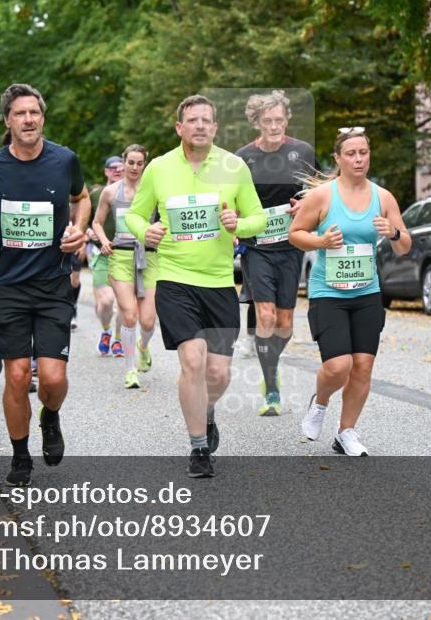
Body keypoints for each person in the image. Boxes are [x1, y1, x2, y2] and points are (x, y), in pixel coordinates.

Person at [126, 94, 266, 478]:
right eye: (192, 120)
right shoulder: (158, 168)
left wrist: (240, 224)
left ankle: (207, 411)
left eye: (206, 120)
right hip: (174, 278)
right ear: (179, 127)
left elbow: (257, 218)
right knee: (192, 360)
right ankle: (198, 448)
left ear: (215, 127)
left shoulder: (234, 167)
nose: (200, 125)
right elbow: (135, 216)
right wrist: (146, 231)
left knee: (218, 373)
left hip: (219, 282)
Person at [0, 83, 89, 487]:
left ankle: (50, 416)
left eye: (34, 112)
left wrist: (79, 229)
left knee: (52, 378)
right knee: (17, 376)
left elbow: (82, 198)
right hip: (9, 285)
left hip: (54, 283)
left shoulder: (65, 159)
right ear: (8, 120)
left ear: (42, 117)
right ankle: (20, 455)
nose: (29, 119)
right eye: (20, 113)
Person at [289, 128, 411, 456]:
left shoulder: (383, 197)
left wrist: (394, 232)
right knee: (338, 366)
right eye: (351, 154)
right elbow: (295, 234)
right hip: (328, 292)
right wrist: (321, 241)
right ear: (338, 158)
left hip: (367, 291)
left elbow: (404, 246)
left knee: (363, 365)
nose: (358, 159)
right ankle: (320, 403)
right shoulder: (322, 196)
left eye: (363, 153)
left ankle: (346, 433)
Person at [235, 90, 315, 416]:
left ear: (287, 119)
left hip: (290, 244)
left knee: (285, 325)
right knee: (265, 316)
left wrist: (303, 205)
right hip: (257, 247)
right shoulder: (243, 158)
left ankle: (271, 360)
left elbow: (316, 191)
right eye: (267, 120)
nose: (273, 126)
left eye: (279, 120)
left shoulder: (303, 151)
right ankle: (271, 388)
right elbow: (233, 198)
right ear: (257, 121)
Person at [93, 144, 159, 389]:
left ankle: (143, 345)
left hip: (149, 257)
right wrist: (104, 241)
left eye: (139, 163)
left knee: (148, 321)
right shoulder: (110, 192)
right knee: (129, 315)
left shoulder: (153, 191)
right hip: (120, 256)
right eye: (130, 162)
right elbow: (97, 222)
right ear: (124, 163)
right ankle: (131, 369)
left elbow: (166, 219)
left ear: (144, 165)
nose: (134, 167)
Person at [86, 157, 125, 356]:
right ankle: (106, 330)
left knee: (124, 303)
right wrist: (88, 232)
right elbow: (85, 221)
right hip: (103, 254)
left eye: (120, 167)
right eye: (113, 168)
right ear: (106, 171)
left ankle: (118, 339)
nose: (117, 170)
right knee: (106, 302)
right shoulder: (96, 195)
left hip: (127, 254)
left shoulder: (134, 194)